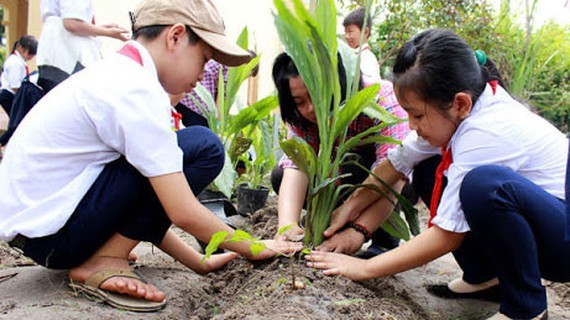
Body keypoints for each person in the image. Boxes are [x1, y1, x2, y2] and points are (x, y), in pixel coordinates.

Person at [0, 0, 300, 312]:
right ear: (176, 36)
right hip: (55, 238)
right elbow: (179, 208)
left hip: (42, 235)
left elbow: (148, 197)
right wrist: (251, 247)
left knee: (182, 153)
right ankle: (102, 259)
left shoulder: (119, 72)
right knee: (203, 146)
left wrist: (197, 260)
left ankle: (106, 251)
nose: (203, 74)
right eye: (204, 59)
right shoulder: (135, 89)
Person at [306, 29, 569, 320]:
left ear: (460, 103)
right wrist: (349, 207)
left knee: (483, 188)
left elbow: (447, 235)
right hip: (547, 223)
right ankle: (484, 276)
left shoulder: (487, 130)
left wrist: (363, 268)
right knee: (427, 169)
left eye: (417, 115)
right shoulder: (462, 112)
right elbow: (399, 160)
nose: (412, 124)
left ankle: (525, 307)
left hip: (563, 243)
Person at [270, 52, 409, 256]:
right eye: (299, 102)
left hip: (386, 180)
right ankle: (333, 228)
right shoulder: (301, 117)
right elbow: (296, 166)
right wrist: (287, 226)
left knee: (379, 171)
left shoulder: (381, 99)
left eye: (316, 96)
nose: (310, 109)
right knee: (279, 175)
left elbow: (395, 171)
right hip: (340, 179)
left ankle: (383, 240)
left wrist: (358, 231)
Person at [36, 0, 130, 93]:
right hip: (66, 58)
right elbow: (71, 23)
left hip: (53, 54)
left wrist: (100, 29)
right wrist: (108, 33)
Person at [175, 59, 229, 127]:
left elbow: (221, 93)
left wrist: (218, 122)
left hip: (201, 110)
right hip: (179, 100)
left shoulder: (224, 61)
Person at [0, 35, 38, 116]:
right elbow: (15, 86)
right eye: (29, 53)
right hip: (9, 96)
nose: (31, 57)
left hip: (12, 96)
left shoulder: (19, 61)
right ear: (20, 48)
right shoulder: (15, 63)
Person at [343, 7, 381, 87]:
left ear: (365, 32)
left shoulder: (367, 59)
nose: (346, 36)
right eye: (345, 32)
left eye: (350, 32)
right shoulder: (354, 55)